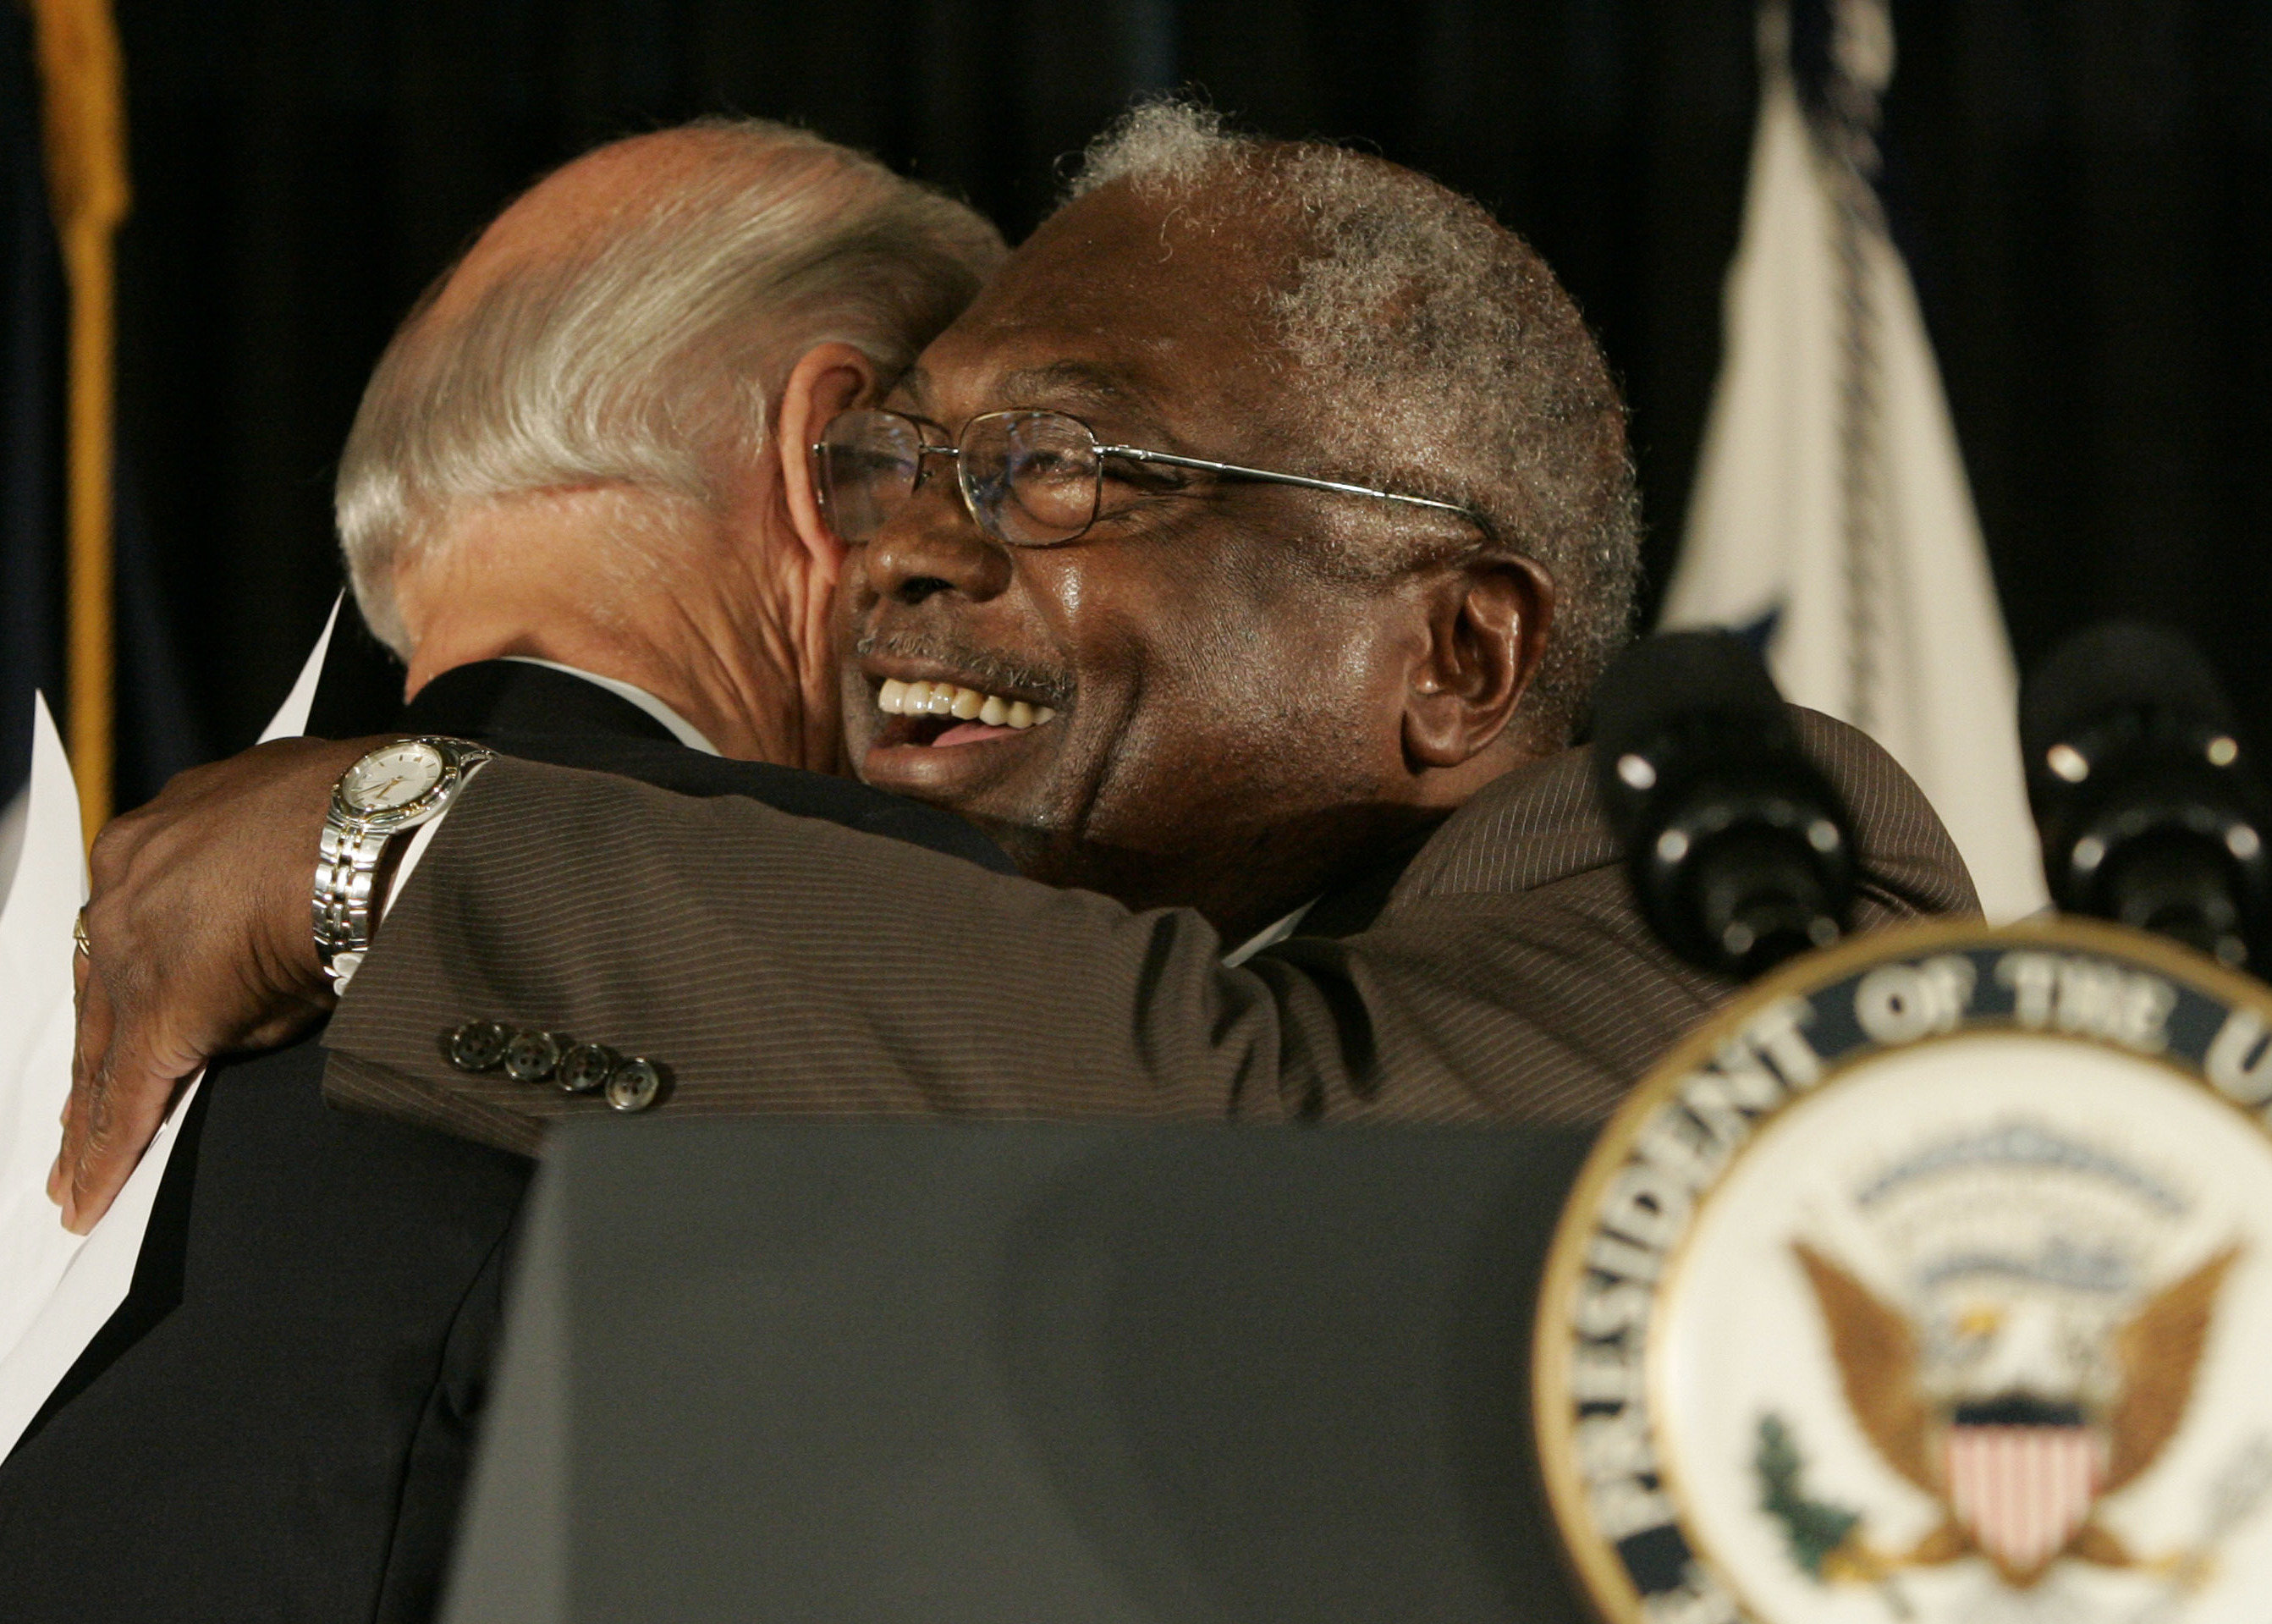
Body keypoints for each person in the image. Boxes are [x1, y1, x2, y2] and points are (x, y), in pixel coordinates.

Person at [58, 99, 1976, 1217]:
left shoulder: (1746, 878)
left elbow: (1277, 1161)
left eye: (1051, 466)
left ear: (1457, 656)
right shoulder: (956, 1022)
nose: (894, 547)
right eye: (893, 457)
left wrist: (402, 849)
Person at [0, 119, 1007, 1624]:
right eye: (978, 476)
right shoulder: (877, 943)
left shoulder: (78, 971)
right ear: (830, 459)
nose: (1000, 573)